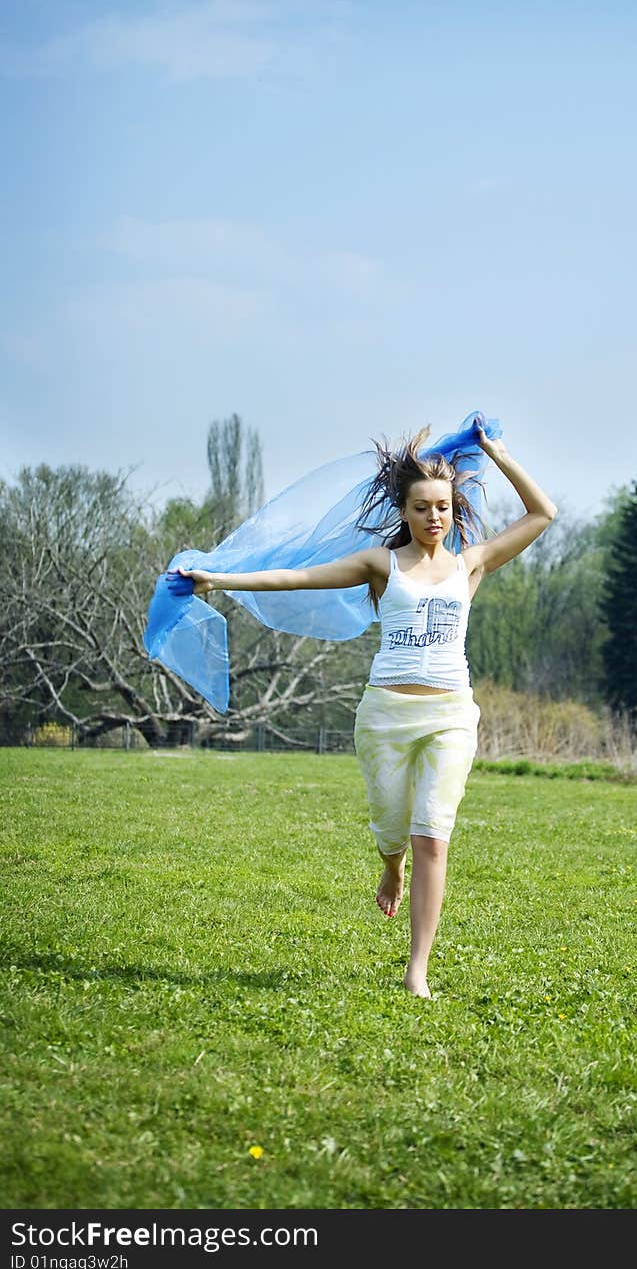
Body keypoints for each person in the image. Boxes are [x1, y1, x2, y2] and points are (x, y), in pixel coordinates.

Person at [172, 424, 557, 999]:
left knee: (433, 833)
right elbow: (297, 578)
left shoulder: (470, 565)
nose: (435, 518)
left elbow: (542, 513)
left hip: (451, 715)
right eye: (422, 508)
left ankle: (417, 970)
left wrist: (498, 455)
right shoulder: (382, 564)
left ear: (455, 510)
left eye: (444, 508)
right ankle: (389, 863)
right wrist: (218, 579)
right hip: (383, 716)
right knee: (390, 824)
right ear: (404, 509)